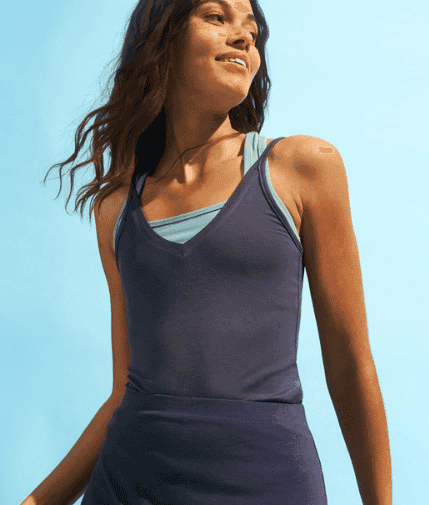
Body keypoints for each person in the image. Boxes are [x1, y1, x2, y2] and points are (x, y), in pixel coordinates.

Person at [25, 1, 392, 503]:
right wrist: (38, 500)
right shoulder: (117, 209)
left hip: (266, 481)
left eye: (253, 29)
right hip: (129, 483)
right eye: (218, 17)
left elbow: (351, 363)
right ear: (164, 37)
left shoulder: (301, 168)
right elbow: (125, 390)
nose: (244, 37)